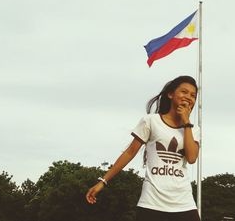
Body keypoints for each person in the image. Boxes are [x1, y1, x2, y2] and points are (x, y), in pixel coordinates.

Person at [86, 75, 201, 221]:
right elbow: (130, 152)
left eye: (193, 95)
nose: (188, 97)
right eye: (184, 92)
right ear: (170, 94)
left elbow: (191, 158)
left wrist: (186, 123)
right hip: (151, 203)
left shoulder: (192, 129)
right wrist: (103, 181)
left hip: (184, 204)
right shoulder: (151, 121)